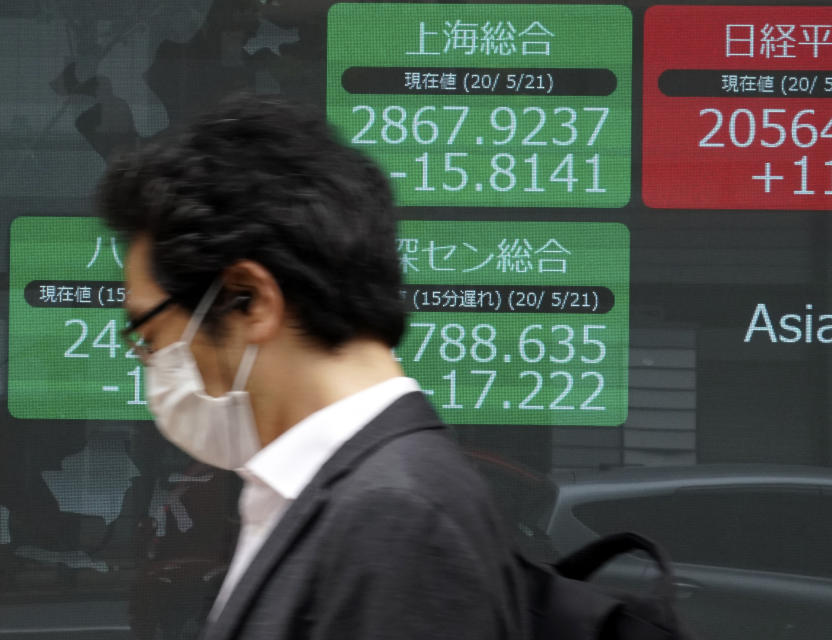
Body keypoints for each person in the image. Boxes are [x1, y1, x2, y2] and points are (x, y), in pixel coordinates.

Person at [96, 93, 527, 640]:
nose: (150, 362)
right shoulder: (325, 492)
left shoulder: (398, 517)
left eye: (149, 333)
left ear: (249, 299)